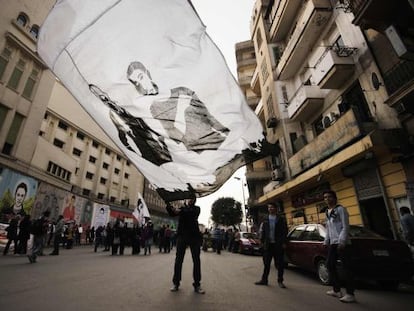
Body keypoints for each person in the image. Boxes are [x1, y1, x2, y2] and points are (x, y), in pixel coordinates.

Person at [127, 61, 230, 153]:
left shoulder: (183, 91)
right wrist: (180, 109)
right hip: (199, 155)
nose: (143, 85)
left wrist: (228, 135)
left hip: (218, 143)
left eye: (141, 77)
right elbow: (175, 136)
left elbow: (209, 117)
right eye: (137, 83)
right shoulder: (154, 108)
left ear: (148, 74)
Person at [89, 84, 172, 166]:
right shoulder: (114, 115)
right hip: (142, 142)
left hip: (149, 140)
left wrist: (161, 139)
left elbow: (142, 123)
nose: (104, 99)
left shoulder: (124, 109)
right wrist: (130, 149)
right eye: (101, 98)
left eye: (103, 96)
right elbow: (122, 134)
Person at [166, 196, 205, 294]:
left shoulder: (196, 209)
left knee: (196, 260)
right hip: (182, 236)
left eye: (192, 199)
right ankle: (176, 283)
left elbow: (190, 214)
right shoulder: (182, 209)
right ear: (187, 200)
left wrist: (179, 210)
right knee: (178, 260)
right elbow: (172, 213)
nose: (191, 200)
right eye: (189, 199)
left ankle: (197, 284)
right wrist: (168, 205)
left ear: (194, 201)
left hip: (194, 237)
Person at [323, 190, 356, 303]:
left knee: (347, 268)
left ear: (334, 198)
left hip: (342, 243)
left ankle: (350, 293)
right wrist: (326, 240)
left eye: (329, 197)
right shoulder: (327, 212)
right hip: (333, 243)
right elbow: (328, 228)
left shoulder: (341, 209)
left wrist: (342, 241)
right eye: (325, 197)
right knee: (329, 265)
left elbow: (345, 226)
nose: (327, 199)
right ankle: (336, 290)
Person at [255, 202, 288, 288]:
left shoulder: (281, 218)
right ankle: (264, 280)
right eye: (269, 207)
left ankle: (280, 281)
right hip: (268, 245)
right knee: (266, 264)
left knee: (280, 264)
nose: (270, 209)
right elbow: (263, 231)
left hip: (278, 245)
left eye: (272, 207)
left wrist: (284, 242)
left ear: (276, 208)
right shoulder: (265, 219)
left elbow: (284, 231)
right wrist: (261, 242)